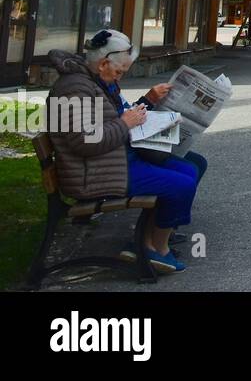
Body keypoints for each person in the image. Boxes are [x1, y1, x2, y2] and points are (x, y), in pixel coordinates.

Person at [46, 30, 206, 274]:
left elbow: (118, 116)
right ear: (102, 64)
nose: (120, 78)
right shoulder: (74, 89)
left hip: (111, 160)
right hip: (93, 175)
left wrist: (149, 101)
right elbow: (84, 141)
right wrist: (125, 124)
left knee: (189, 166)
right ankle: (154, 249)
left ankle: (151, 237)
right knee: (182, 184)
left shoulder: (96, 81)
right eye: (119, 72)